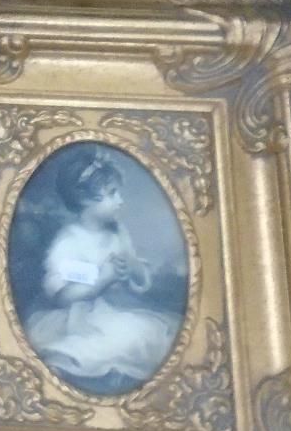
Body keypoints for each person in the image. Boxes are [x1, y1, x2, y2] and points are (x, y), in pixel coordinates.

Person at [22, 148, 179, 391]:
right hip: (73, 317)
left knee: (150, 334)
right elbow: (60, 294)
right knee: (90, 347)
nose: (121, 201)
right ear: (85, 199)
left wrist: (131, 264)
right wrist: (101, 278)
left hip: (106, 311)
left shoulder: (116, 232)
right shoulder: (69, 240)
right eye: (112, 193)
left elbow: (138, 276)